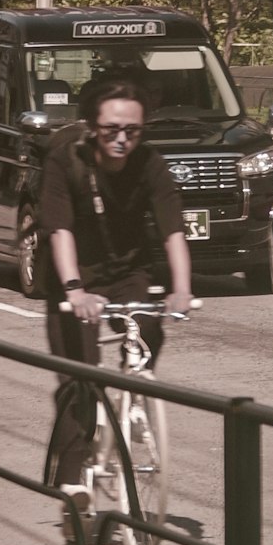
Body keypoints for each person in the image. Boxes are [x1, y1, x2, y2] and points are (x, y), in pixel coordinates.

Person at [39, 70, 194, 514]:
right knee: (81, 379)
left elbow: (172, 230)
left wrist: (181, 289)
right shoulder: (65, 162)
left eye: (133, 130)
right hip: (74, 279)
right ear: (92, 127)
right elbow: (60, 230)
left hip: (128, 272)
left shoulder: (151, 164)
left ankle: (131, 400)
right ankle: (72, 486)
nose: (122, 139)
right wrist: (75, 290)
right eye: (112, 130)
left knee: (150, 330)